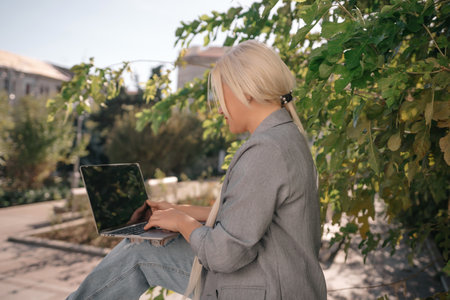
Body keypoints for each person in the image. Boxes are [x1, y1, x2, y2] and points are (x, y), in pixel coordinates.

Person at [67, 40, 327, 300]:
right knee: (141, 249)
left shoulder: (266, 150)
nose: (218, 106)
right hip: (280, 282)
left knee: (140, 252)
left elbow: (224, 254)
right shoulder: (286, 137)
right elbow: (248, 220)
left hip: (263, 288)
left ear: (248, 91)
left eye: (220, 92)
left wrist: (182, 223)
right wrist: (178, 211)